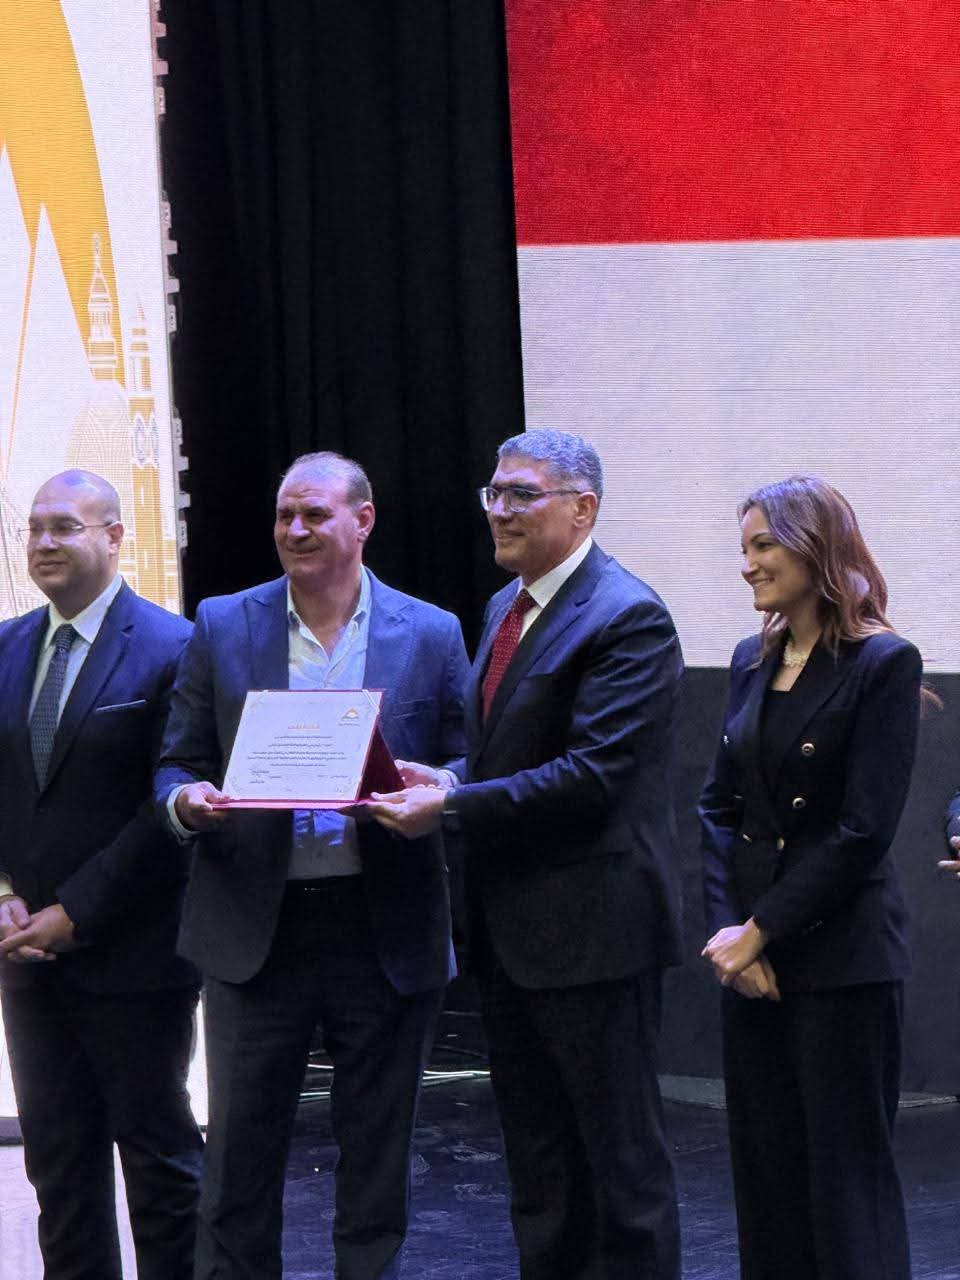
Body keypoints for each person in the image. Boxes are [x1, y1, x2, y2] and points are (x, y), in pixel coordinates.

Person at [369, 428, 683, 1280]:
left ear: (582, 509)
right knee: (540, 1167)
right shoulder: (505, 609)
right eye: (494, 493)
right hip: (512, 935)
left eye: (521, 495)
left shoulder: (627, 616)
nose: (499, 511)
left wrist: (450, 805)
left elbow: (594, 777)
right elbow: (511, 756)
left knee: (620, 1169)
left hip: (595, 938)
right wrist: (450, 776)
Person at [155, 451, 469, 1280]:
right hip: (255, 930)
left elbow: (472, 760)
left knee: (376, 1168)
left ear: (363, 521)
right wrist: (187, 801)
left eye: (315, 514)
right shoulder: (224, 623)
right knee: (237, 1169)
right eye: (284, 514)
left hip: (384, 926)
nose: (294, 529)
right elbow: (177, 761)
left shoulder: (431, 631)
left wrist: (439, 786)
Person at [699, 474, 922, 1280]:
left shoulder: (882, 663)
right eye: (745, 547)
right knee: (767, 1177)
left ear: (815, 547)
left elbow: (862, 832)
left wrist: (761, 929)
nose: (748, 565)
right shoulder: (748, 659)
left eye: (764, 545)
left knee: (846, 1183)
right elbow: (718, 808)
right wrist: (732, 936)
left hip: (841, 961)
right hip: (751, 964)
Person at [0, 469, 202, 1280]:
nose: (44, 543)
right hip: (27, 962)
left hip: (137, 957)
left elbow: (168, 810)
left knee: (161, 1169)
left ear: (115, 536)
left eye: (65, 526)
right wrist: (6, 899)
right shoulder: (6, 646)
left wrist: (74, 912)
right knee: (58, 1170)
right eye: (35, 528)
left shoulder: (174, 647)